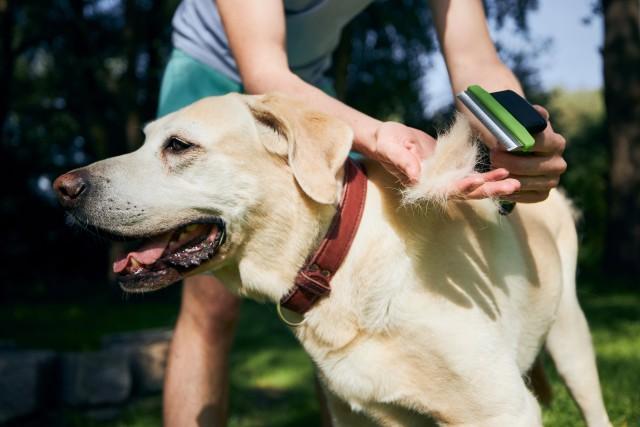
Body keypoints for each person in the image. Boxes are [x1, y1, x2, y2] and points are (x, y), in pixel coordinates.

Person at [157, 0, 567, 425]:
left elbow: (474, 58)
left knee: (336, 287)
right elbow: (264, 71)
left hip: (306, 86)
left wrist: (518, 138)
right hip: (212, 69)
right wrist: (378, 135)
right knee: (212, 302)